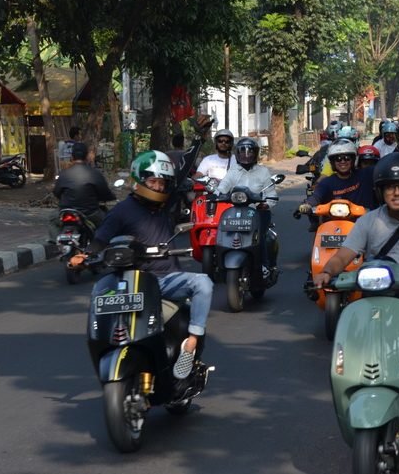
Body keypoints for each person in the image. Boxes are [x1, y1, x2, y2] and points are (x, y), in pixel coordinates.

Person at [313, 152, 399, 437]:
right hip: (378, 292)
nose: (397, 192)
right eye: (390, 187)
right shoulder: (369, 221)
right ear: (380, 191)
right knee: (353, 340)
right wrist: (327, 272)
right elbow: (343, 255)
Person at [73, 150, 213, 380]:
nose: (158, 187)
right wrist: (85, 256)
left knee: (204, 284)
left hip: (168, 279)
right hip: (133, 283)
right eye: (153, 181)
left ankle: (191, 344)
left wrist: (198, 138)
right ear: (139, 180)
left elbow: (183, 171)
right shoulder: (122, 211)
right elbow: (101, 239)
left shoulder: (166, 205)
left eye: (162, 183)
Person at [216, 137, 279, 274]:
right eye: (242, 151)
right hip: (236, 211)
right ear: (237, 153)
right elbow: (224, 185)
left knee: (259, 236)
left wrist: (267, 204)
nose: (246, 154)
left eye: (250, 151)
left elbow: (271, 193)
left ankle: (264, 266)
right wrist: (217, 194)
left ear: (255, 153)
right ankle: (219, 264)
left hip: (258, 211)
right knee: (223, 231)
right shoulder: (233, 170)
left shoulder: (263, 171)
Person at [49, 142, 116, 241]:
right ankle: (101, 245)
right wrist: (111, 196)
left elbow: (56, 192)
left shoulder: (64, 174)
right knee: (108, 221)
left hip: (66, 212)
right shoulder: (94, 173)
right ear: (87, 156)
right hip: (90, 213)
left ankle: (55, 243)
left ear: (72, 157)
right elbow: (105, 193)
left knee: (52, 219)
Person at [298, 139, 377, 213]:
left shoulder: (365, 175)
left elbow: (382, 167)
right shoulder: (326, 183)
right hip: (333, 221)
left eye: (347, 158)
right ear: (332, 162)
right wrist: (307, 204)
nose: (343, 161)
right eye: (338, 159)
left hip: (363, 221)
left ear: (353, 160)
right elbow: (316, 197)